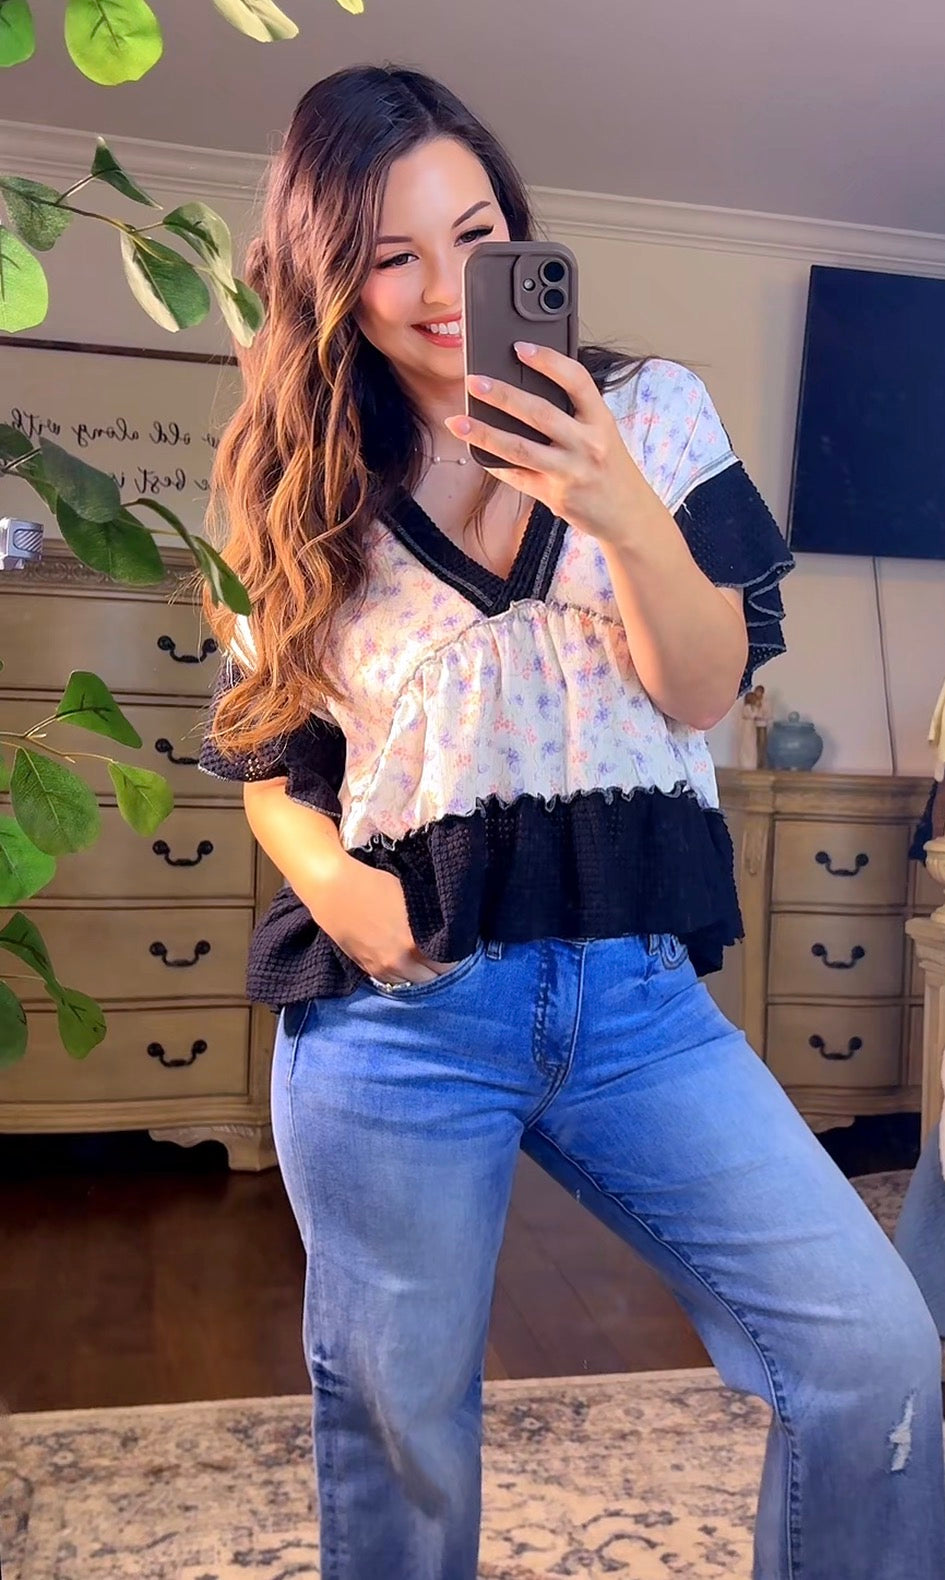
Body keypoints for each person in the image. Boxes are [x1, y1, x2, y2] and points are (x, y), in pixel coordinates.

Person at [197, 64, 945, 1580]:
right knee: (400, 1437)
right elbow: (272, 759)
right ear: (329, 281)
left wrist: (614, 503)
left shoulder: (651, 414)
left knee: (874, 1356)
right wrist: (342, 894)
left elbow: (703, 686)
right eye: (388, 256)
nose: (438, 289)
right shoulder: (296, 483)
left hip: (635, 1000)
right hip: (400, 1018)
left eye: (471, 238)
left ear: (517, 234)